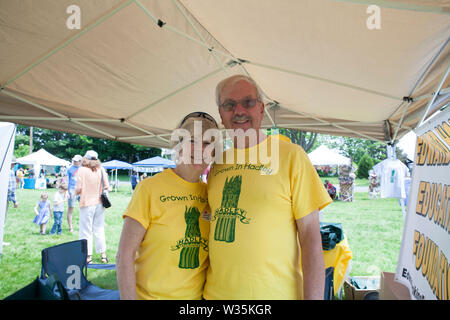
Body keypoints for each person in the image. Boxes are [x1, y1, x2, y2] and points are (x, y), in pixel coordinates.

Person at [204, 75, 332, 300]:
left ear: (261, 109)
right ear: (221, 114)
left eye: (248, 102)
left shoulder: (291, 156)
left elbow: (311, 238)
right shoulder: (217, 164)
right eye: (229, 105)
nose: (239, 111)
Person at [116, 112, 218, 300]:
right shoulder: (149, 188)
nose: (200, 149)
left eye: (207, 143)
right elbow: (124, 255)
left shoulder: (212, 194)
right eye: (192, 141)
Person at [75, 150, 110, 264]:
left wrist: (74, 193)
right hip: (99, 203)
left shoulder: (82, 170)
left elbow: (78, 188)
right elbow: (107, 186)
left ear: (86, 158)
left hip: (86, 203)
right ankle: (103, 255)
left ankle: (88, 256)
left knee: (86, 230)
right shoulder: (101, 169)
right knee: (99, 229)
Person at [67, 154, 82, 233]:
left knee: (83, 209)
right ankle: (71, 228)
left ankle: (82, 226)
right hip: (72, 190)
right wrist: (67, 191)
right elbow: (67, 180)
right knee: (71, 208)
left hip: (81, 190)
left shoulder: (83, 169)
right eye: (74, 161)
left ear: (80, 161)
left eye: (76, 161)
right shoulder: (69, 169)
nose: (74, 162)